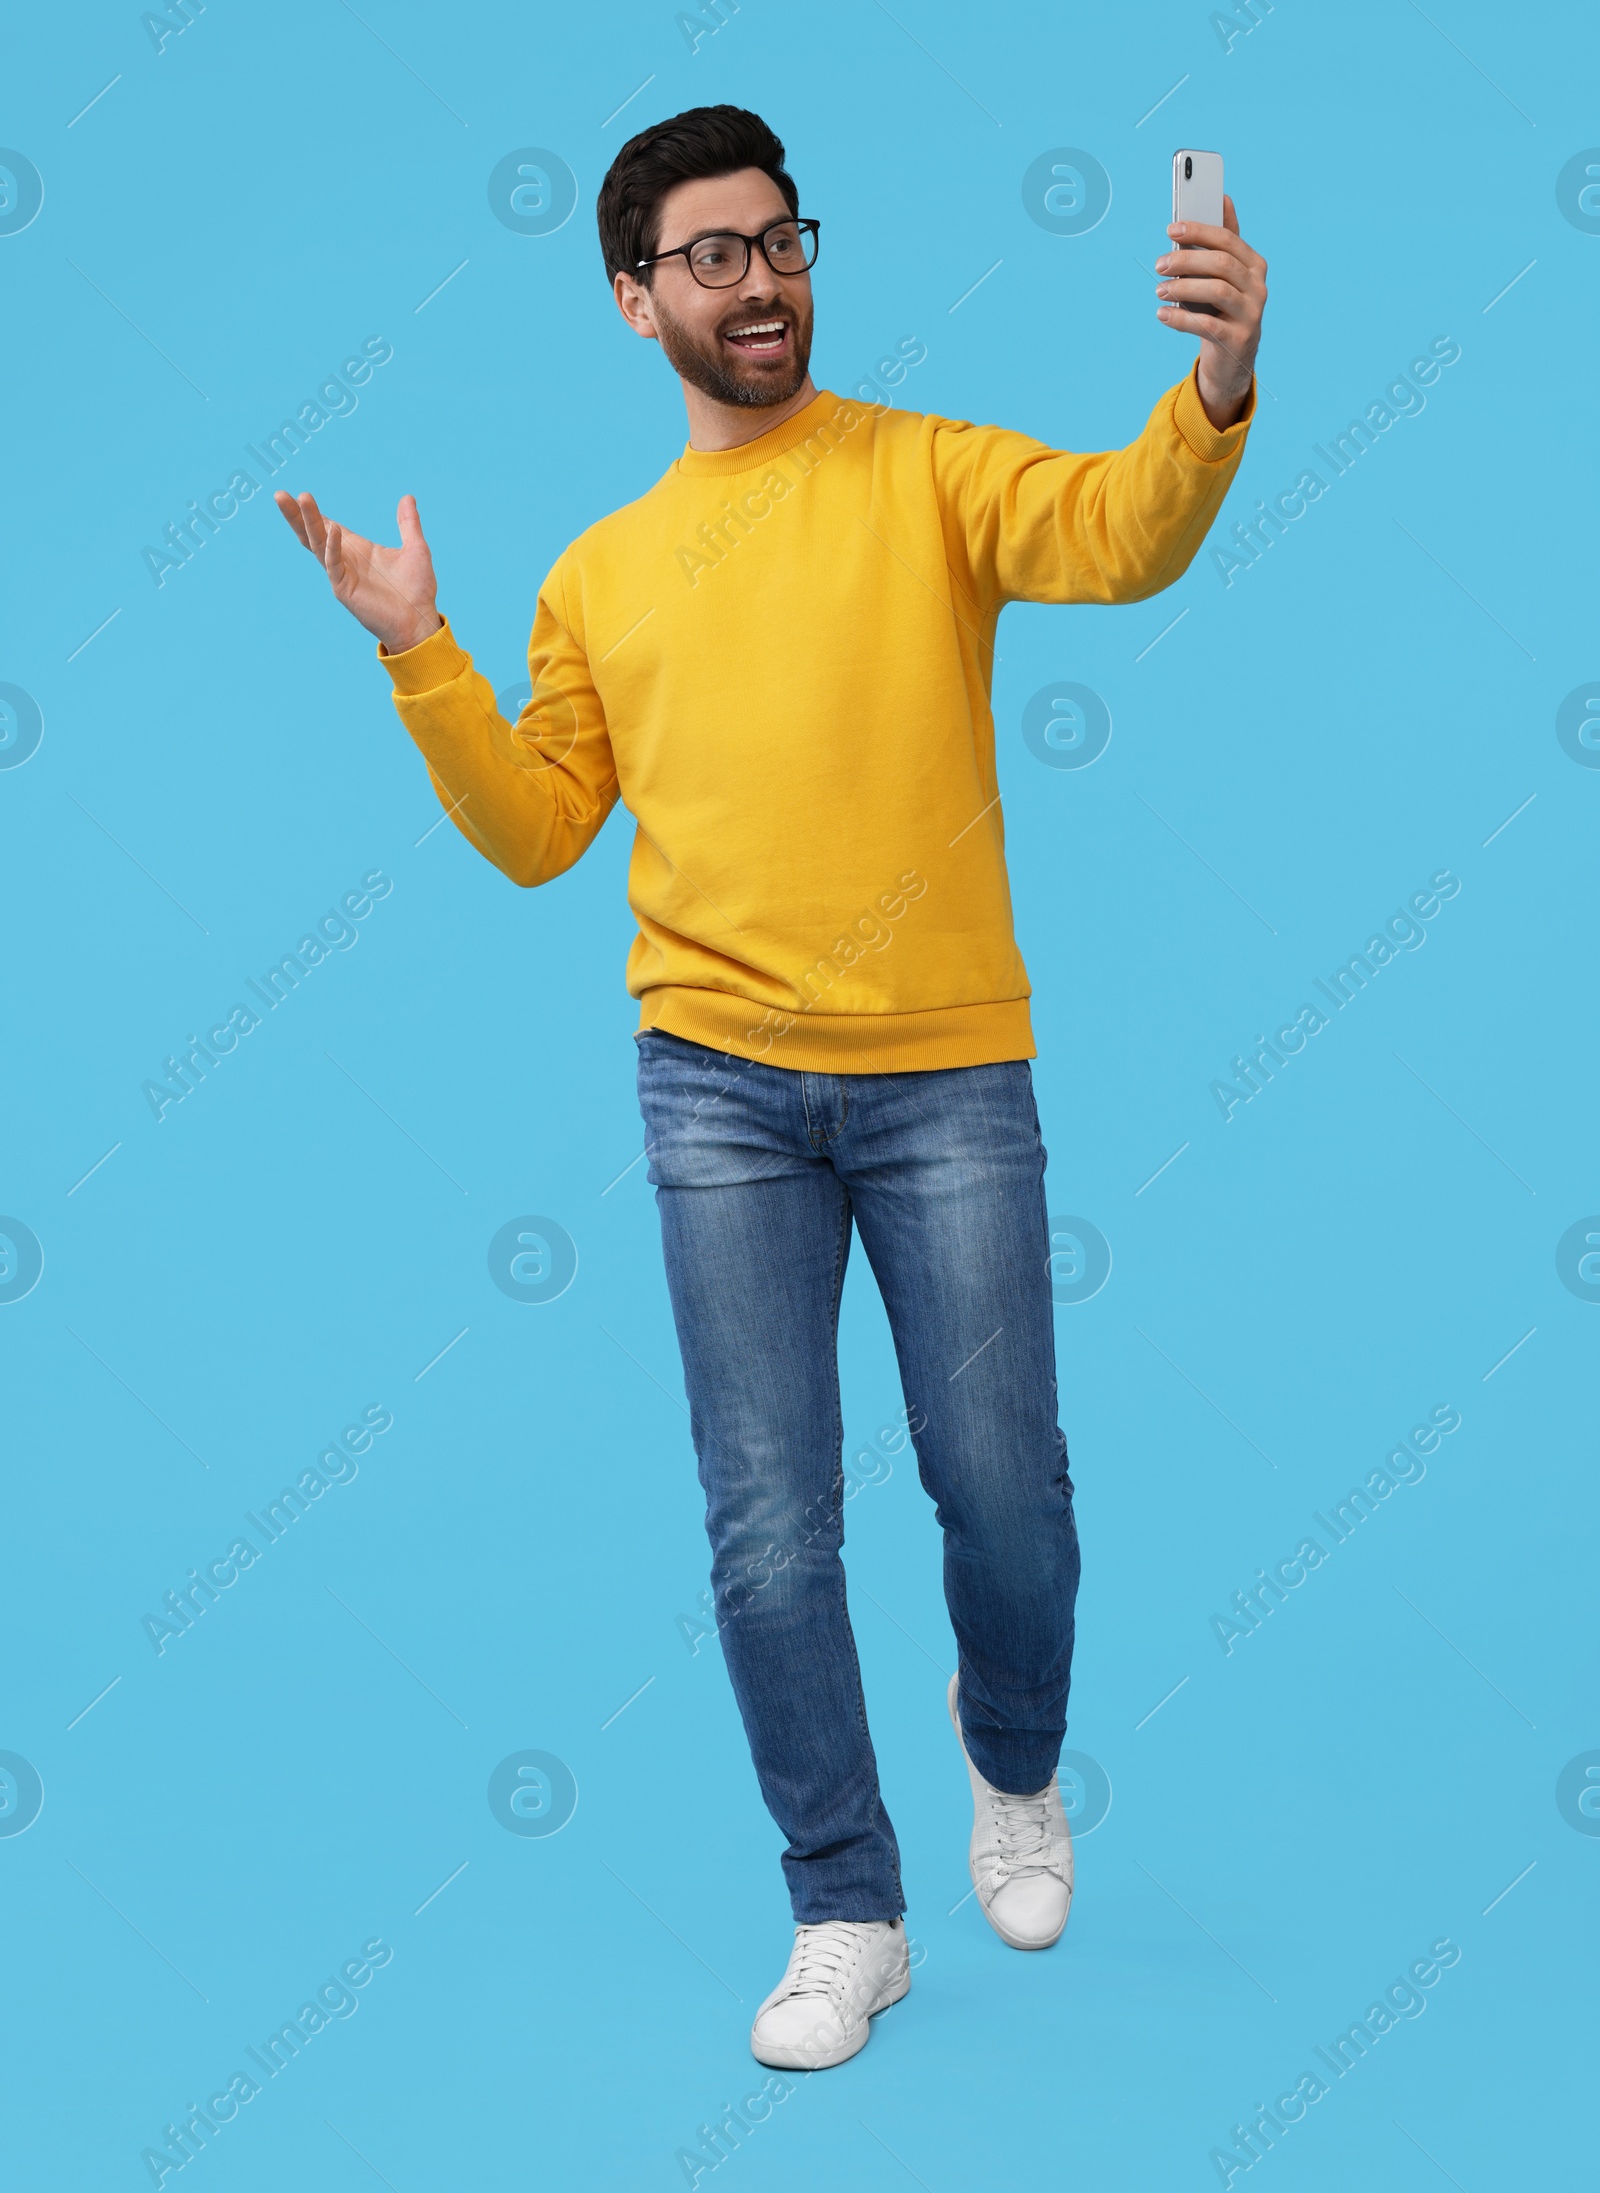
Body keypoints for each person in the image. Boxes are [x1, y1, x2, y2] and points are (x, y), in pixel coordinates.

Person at [276, 104, 1266, 2071]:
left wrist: (1214, 381)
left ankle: (1013, 1765)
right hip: (714, 1092)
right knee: (764, 1530)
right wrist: (420, 657)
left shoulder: (920, 472)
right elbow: (540, 831)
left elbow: (1119, 536)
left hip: (942, 1074)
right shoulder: (601, 572)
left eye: (779, 240)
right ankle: (845, 1910)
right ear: (633, 297)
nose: (758, 279)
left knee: (999, 1492)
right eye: (710, 254)